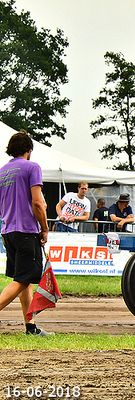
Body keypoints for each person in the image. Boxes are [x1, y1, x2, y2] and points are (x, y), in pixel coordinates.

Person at [0, 130, 52, 336]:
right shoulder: (32, 167)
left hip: (8, 231)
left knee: (24, 279)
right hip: (26, 231)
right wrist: (45, 228)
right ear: (29, 150)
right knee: (23, 279)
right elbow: (37, 202)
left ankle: (31, 327)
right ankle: (31, 326)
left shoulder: (3, 171)